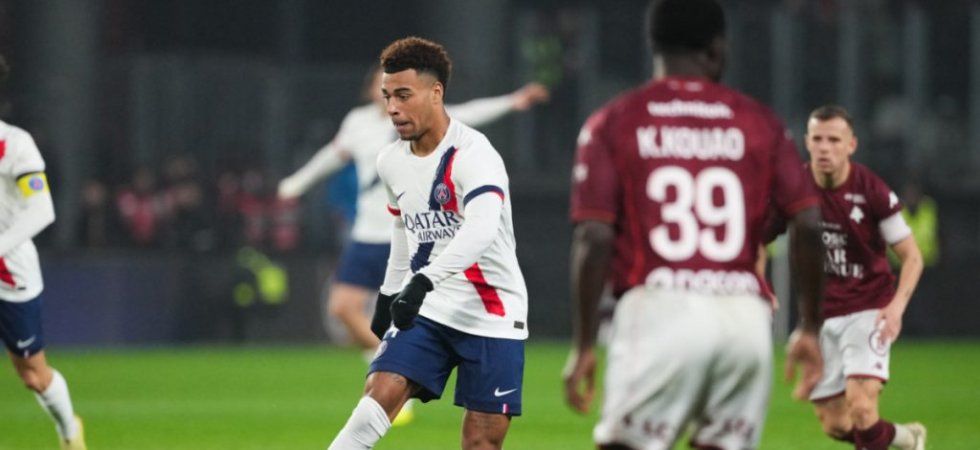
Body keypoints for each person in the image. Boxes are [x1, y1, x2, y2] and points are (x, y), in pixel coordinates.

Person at [561, 1, 826, 449]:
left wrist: (585, 344)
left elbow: (594, 235)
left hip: (660, 307)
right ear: (717, 49)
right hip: (745, 318)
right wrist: (810, 326)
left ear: (653, 45)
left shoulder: (615, 121)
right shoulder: (759, 122)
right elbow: (810, 222)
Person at [327, 36, 529, 450]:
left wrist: (421, 282)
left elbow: (480, 230)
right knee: (376, 397)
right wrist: (389, 293)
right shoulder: (391, 160)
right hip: (430, 309)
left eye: (403, 95)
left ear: (436, 93)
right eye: (387, 96)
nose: (392, 108)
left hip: (492, 310)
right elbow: (404, 228)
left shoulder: (475, 154)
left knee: (481, 442)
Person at [277, 64, 546, 358]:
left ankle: (404, 363)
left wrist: (513, 101)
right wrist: (297, 183)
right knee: (342, 307)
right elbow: (331, 156)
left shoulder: (422, 120)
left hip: (411, 231)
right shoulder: (357, 122)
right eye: (383, 87)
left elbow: (469, 112)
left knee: (419, 311)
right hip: (366, 233)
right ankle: (388, 357)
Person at [765, 105, 926, 450]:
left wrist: (896, 308)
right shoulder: (793, 189)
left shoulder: (871, 190)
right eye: (818, 139)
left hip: (869, 309)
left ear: (851, 145)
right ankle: (906, 439)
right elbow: (756, 241)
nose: (825, 148)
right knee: (836, 425)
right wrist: (760, 283)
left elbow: (912, 256)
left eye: (834, 140)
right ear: (807, 142)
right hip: (819, 319)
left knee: (862, 408)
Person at [0, 55, 87, 450]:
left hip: (11, 274)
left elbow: (42, 210)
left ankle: (69, 431)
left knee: (33, 375)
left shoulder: (15, 145)